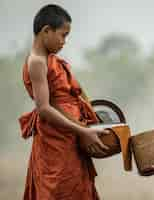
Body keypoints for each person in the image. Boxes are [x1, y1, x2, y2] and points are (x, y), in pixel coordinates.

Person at [18, 4, 109, 200]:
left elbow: (74, 94)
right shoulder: (37, 62)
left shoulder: (53, 60)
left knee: (79, 187)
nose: (64, 42)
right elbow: (44, 109)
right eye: (63, 35)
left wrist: (89, 124)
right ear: (46, 31)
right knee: (59, 190)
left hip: (71, 137)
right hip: (55, 142)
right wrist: (83, 130)